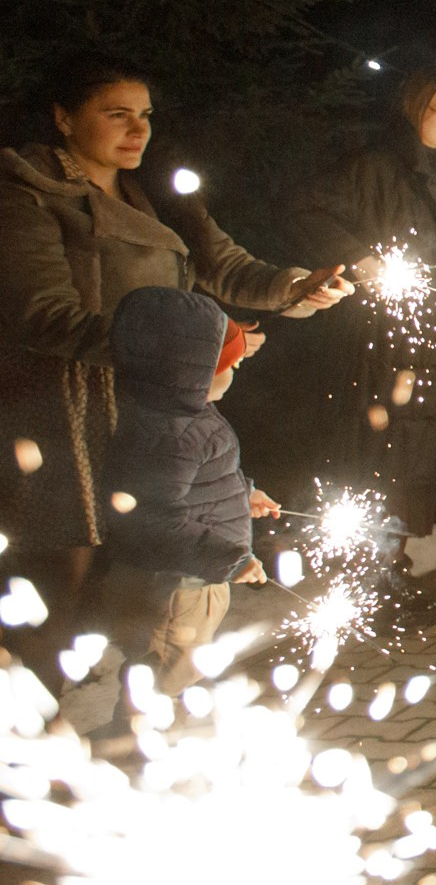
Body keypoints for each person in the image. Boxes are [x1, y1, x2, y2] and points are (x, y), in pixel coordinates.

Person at [1, 56, 347, 659]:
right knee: (61, 595)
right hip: (68, 420)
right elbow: (42, 314)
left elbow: (225, 266)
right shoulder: (28, 195)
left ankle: (128, 702)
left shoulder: (153, 191)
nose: (138, 130)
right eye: (117, 114)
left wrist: (296, 287)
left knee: (148, 589)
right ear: (63, 118)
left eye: (145, 115)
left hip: (151, 412)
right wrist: (187, 349)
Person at [288, 67, 436, 547]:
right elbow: (302, 208)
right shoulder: (371, 166)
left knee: (422, 451)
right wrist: (359, 259)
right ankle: (375, 561)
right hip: (383, 335)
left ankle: (400, 556)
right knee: (383, 447)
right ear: (414, 109)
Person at [95, 288, 277, 690]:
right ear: (194, 372)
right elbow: (154, 520)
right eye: (230, 364)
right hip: (176, 586)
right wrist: (228, 560)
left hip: (182, 578)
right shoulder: (173, 435)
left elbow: (193, 483)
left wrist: (243, 495)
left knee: (167, 673)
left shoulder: (179, 416)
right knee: (163, 684)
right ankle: (144, 731)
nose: (237, 371)